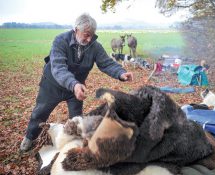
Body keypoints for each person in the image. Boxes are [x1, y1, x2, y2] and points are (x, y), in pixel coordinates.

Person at [20, 13, 133, 151]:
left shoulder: (94, 46)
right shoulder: (60, 41)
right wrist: (73, 84)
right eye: (86, 34)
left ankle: (75, 145)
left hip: (76, 89)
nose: (89, 38)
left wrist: (121, 73)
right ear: (76, 30)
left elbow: (107, 63)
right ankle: (30, 137)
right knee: (40, 113)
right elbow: (58, 68)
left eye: (92, 34)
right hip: (52, 85)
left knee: (77, 118)